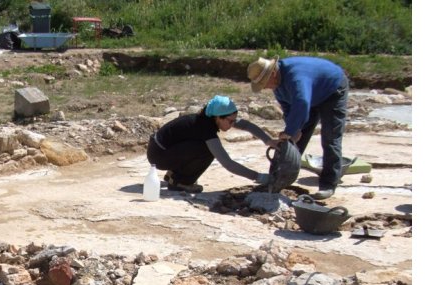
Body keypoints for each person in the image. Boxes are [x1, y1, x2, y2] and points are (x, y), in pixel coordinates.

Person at [247, 55, 349, 200]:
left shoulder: (296, 77)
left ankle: (328, 184)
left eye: (264, 83)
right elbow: (289, 108)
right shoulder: (278, 86)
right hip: (311, 94)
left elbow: (301, 103)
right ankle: (277, 178)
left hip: (332, 89)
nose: (265, 87)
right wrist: (293, 130)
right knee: (292, 143)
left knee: (330, 139)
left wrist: (290, 131)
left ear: (273, 73)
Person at [146, 95, 274, 194]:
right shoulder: (205, 127)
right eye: (230, 121)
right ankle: (181, 182)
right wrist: (260, 177)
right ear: (218, 118)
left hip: (162, 150)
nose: (233, 124)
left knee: (202, 147)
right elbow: (227, 163)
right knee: (207, 150)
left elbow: (245, 125)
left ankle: (173, 175)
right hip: (159, 155)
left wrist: (269, 141)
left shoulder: (210, 118)